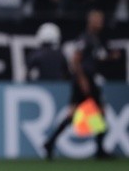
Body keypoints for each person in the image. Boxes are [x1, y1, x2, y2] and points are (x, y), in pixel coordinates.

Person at [43, 9, 118, 160]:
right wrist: (82, 79)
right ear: (91, 21)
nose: (100, 23)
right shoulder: (85, 38)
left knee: (82, 114)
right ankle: (99, 149)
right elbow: (76, 60)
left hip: (87, 79)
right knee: (98, 112)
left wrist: (110, 57)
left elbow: (94, 58)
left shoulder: (94, 40)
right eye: (98, 20)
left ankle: (50, 143)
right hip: (84, 80)